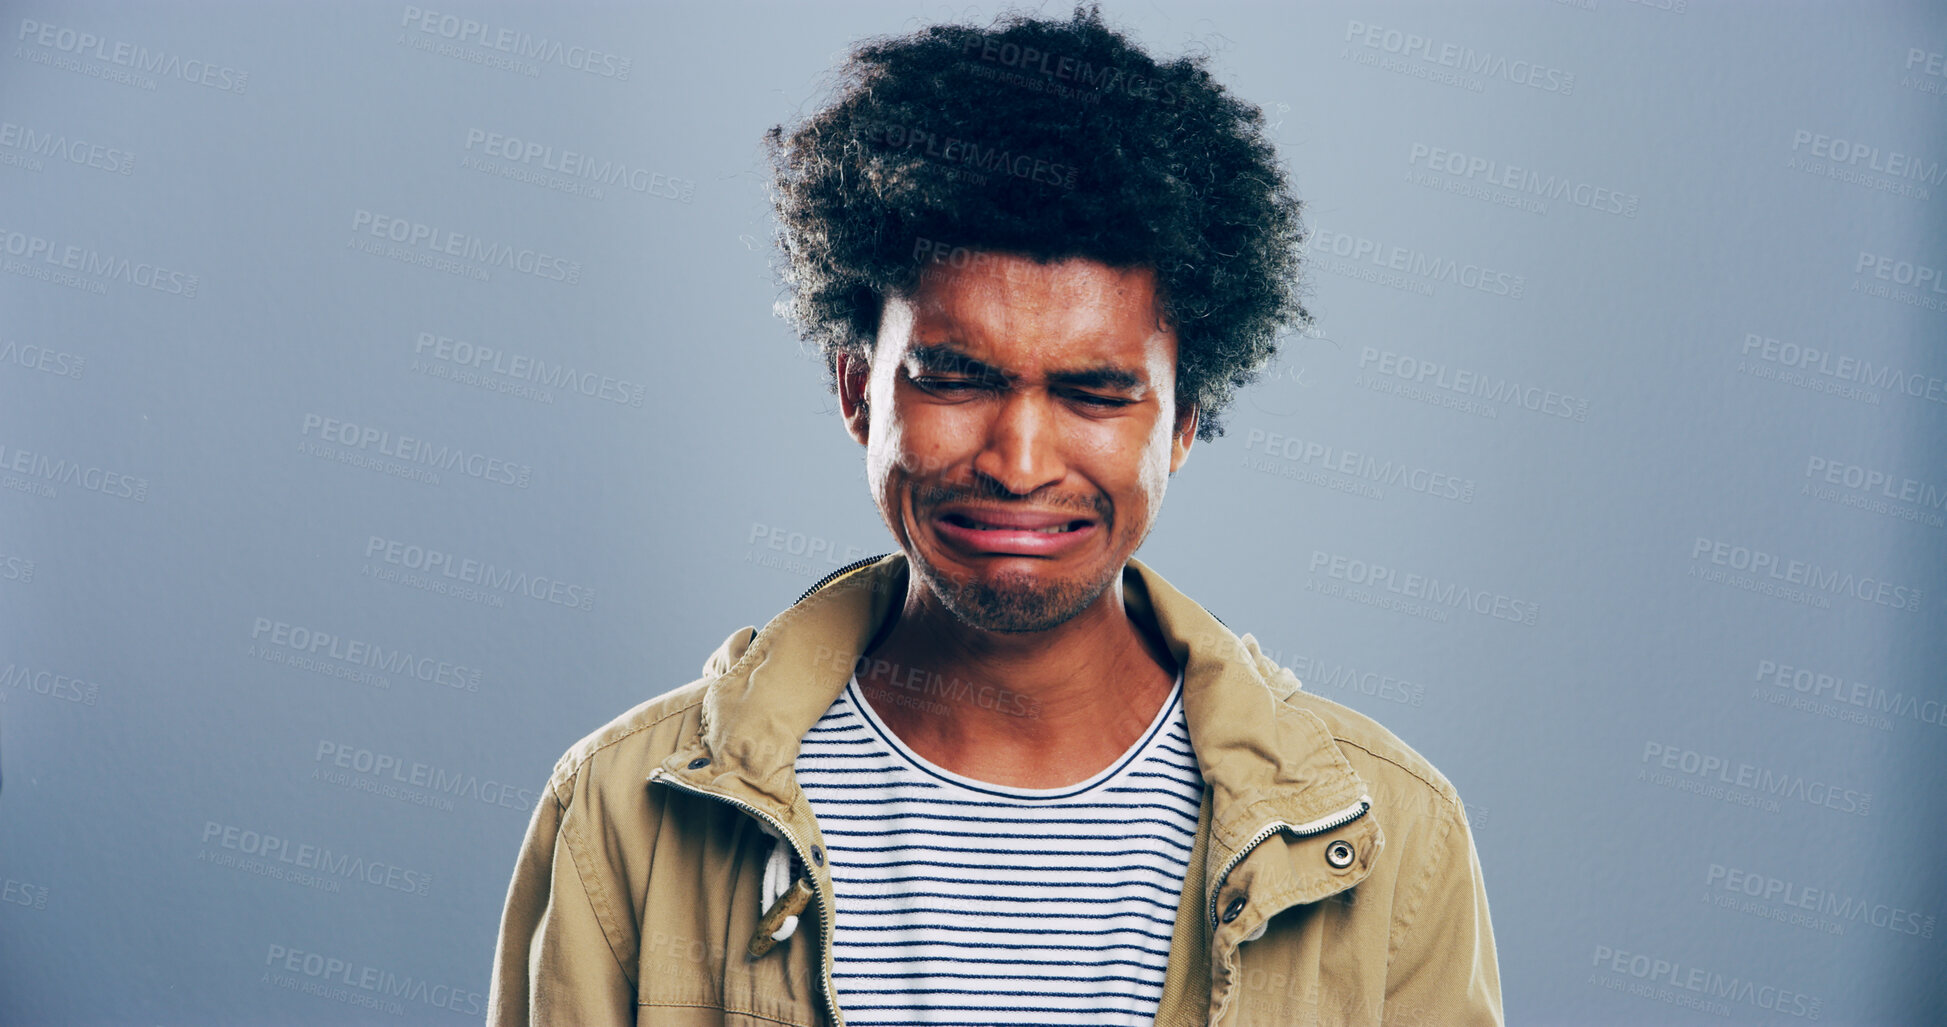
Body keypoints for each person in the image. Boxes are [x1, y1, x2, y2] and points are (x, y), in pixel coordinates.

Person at [489, 5, 1501, 1024]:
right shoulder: (625, 814)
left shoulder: (1387, 839)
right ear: (858, 391)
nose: (1020, 463)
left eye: (1095, 394)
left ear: (1185, 420)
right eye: (954, 377)